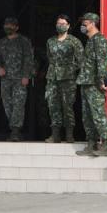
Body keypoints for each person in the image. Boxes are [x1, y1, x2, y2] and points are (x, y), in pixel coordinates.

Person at [75, 12, 107, 157]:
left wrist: (101, 80)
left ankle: (106, 145)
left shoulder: (100, 40)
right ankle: (91, 143)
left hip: (95, 83)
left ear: (92, 23)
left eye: (85, 23)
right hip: (85, 81)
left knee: (98, 114)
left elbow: (102, 62)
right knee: (87, 115)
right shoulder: (90, 41)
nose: (83, 26)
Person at [0, 16, 34, 141]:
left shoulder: (24, 41)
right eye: (6, 25)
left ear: (16, 27)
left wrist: (26, 75)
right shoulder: (2, 42)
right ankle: (13, 128)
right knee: (7, 104)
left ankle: (15, 131)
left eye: (11, 25)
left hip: (20, 78)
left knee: (18, 104)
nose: (8, 27)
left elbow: (29, 59)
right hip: (6, 79)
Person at [44, 14, 84, 143]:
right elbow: (49, 57)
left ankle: (69, 134)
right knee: (53, 105)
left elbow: (81, 60)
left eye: (63, 24)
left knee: (67, 106)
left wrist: (69, 68)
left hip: (68, 79)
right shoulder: (50, 41)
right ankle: (55, 135)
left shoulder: (74, 41)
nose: (60, 26)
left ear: (68, 26)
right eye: (58, 23)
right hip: (52, 78)